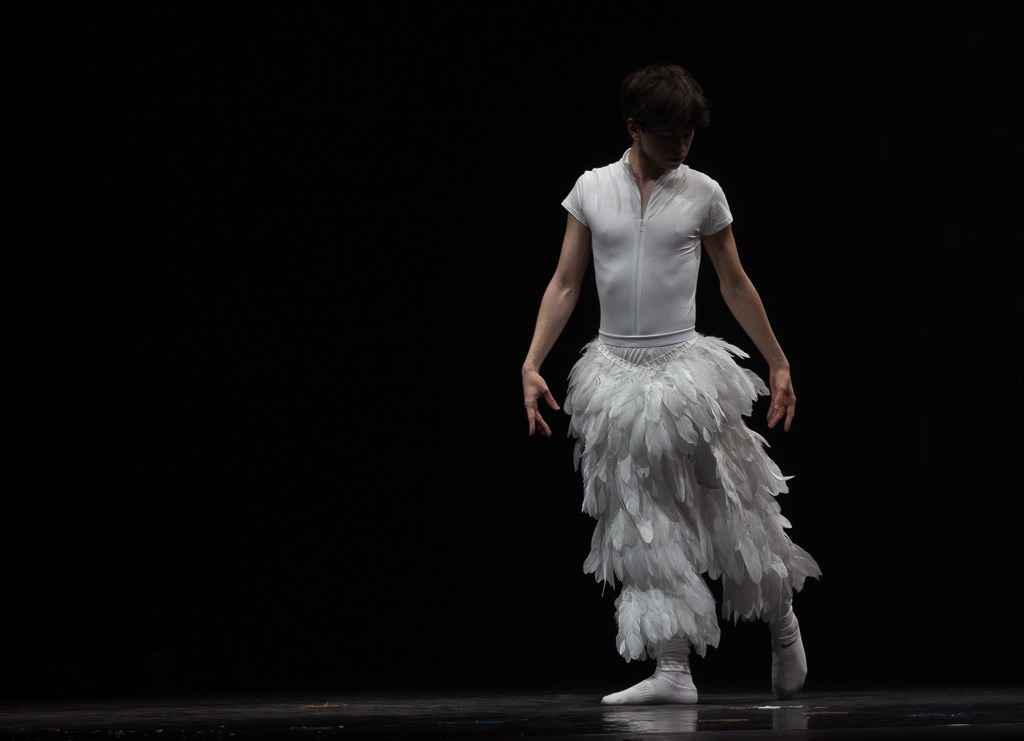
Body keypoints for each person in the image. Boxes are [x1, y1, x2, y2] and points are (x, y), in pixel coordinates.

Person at [521, 63, 821, 705]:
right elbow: (566, 281)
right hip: (616, 376)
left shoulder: (703, 192)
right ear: (634, 128)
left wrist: (778, 359)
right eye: (668, 136)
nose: (682, 147)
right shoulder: (592, 189)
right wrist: (531, 361)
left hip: (686, 373)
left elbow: (734, 282)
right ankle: (674, 670)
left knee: (731, 504)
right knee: (641, 521)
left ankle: (783, 622)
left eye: (689, 135)